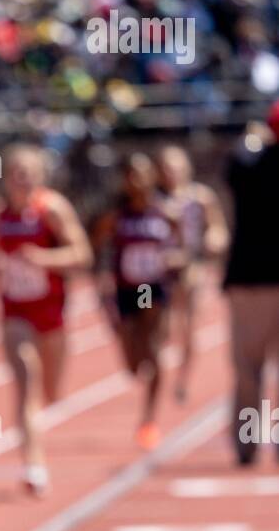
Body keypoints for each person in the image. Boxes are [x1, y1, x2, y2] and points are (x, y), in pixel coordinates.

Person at [0, 144, 93, 495]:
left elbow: (82, 254)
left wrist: (43, 259)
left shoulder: (53, 209)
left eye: (28, 173)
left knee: (51, 390)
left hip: (51, 311)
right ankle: (34, 463)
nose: (21, 180)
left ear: (40, 176)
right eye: (15, 173)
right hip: (15, 311)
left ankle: (37, 442)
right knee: (25, 380)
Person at [92, 152, 184, 450]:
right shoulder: (116, 217)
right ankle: (139, 354)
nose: (136, 180)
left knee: (154, 348)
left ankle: (149, 418)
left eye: (142, 174)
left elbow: (183, 248)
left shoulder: (166, 213)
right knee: (134, 362)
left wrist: (175, 260)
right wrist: (101, 283)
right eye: (131, 174)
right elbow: (96, 248)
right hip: (127, 290)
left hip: (153, 289)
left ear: (152, 178)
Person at [222, 105, 279, 465]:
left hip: (250, 280)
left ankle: (247, 445)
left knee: (248, 369)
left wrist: (252, 139)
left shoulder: (250, 164)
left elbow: (233, 169)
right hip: (257, 278)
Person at [157, 145, 229, 402]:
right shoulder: (152, 198)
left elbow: (218, 229)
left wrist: (213, 241)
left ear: (186, 168)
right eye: (165, 168)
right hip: (154, 277)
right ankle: (151, 367)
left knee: (188, 327)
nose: (171, 173)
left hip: (190, 268)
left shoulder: (200, 197)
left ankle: (182, 379)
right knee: (155, 324)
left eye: (175, 168)